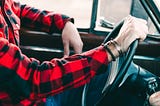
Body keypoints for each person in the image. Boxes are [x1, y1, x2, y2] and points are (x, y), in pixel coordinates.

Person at [0, 0, 154, 106]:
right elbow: (34, 78)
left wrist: (63, 22)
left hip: (36, 98)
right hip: (27, 99)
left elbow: (17, 9)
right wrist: (114, 48)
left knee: (113, 79)